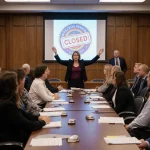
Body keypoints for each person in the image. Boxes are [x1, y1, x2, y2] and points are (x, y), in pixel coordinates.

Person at [0, 71, 50, 146]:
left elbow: (25, 115)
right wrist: (43, 122)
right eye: (16, 84)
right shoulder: (7, 106)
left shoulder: (8, 101)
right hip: (15, 142)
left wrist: (38, 118)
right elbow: (28, 125)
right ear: (11, 88)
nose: (18, 86)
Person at [125, 71, 150, 140]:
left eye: (148, 77)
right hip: (141, 128)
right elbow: (142, 115)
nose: (147, 79)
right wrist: (130, 125)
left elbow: (144, 121)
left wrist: (129, 126)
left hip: (145, 131)